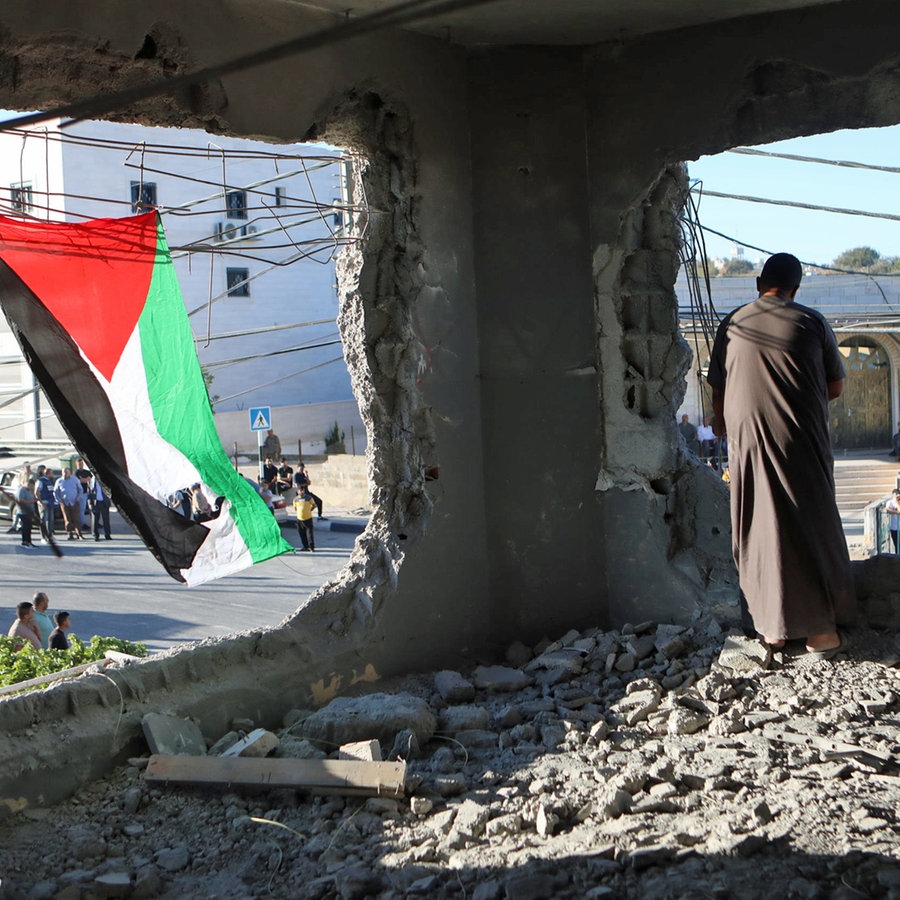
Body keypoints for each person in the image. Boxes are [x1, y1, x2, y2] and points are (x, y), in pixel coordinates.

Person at [708, 252, 855, 657]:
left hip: (748, 444)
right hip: (802, 443)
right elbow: (836, 387)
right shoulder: (811, 321)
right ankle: (821, 632)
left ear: (759, 283)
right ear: (796, 289)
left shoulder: (734, 323)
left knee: (759, 531)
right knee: (811, 525)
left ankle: (771, 630)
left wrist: (724, 423)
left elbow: (718, 391)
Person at [54, 467, 83, 540]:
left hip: (74, 502)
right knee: (67, 520)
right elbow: (56, 492)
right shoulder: (59, 481)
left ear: (69, 472)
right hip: (64, 503)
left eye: (66, 472)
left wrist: (77, 498)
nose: (65, 473)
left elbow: (80, 489)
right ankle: (70, 534)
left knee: (76, 519)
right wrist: (59, 500)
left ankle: (79, 534)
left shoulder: (75, 480)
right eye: (64, 472)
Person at [15, 473, 37, 549]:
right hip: (23, 512)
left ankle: (29, 541)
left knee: (29, 527)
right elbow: (20, 500)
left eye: (32, 485)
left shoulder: (28, 491)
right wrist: (31, 501)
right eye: (29, 485)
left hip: (29, 512)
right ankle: (24, 542)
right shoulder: (21, 490)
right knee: (25, 527)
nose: (31, 487)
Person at [89, 474, 112, 540]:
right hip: (96, 502)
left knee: (106, 519)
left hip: (104, 502)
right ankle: (95, 535)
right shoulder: (92, 481)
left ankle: (107, 534)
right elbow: (90, 492)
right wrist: (90, 503)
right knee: (95, 519)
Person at [36, 466, 57, 540]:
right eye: (51, 473)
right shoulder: (41, 481)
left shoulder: (49, 481)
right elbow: (37, 492)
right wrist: (40, 502)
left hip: (50, 502)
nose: (52, 475)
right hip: (44, 502)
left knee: (50, 520)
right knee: (43, 520)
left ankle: (49, 535)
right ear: (48, 474)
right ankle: (43, 536)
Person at [293, 485, 316, 551]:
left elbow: (314, 505)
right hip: (299, 519)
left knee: (309, 534)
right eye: (300, 491)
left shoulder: (309, 498)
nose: (302, 492)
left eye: (303, 491)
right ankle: (305, 546)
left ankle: (311, 547)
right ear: (298, 492)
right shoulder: (295, 499)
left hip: (308, 518)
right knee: (302, 533)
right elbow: (295, 508)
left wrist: (309, 510)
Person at [73, 458, 92, 530]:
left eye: (81, 464)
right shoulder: (76, 473)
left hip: (88, 492)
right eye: (79, 464)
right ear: (76, 465)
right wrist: (86, 479)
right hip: (81, 493)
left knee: (92, 509)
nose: (80, 465)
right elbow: (81, 481)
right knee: (82, 509)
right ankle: (82, 524)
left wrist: (85, 479)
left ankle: (94, 522)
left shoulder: (87, 472)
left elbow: (90, 478)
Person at [887, 489, 900, 554]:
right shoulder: (890, 502)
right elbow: (888, 510)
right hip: (894, 528)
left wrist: (897, 502)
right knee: (896, 545)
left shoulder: (898, 503)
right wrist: (896, 512)